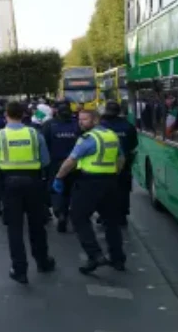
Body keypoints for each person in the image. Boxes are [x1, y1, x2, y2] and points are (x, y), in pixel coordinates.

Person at [0, 102, 56, 284]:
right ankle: (42, 261)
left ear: (6, 115)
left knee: (14, 228)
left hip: (9, 184)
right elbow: (46, 161)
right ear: (24, 114)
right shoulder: (35, 134)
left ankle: (20, 268)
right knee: (37, 224)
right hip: (33, 182)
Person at [54, 108, 126, 274]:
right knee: (111, 222)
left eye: (85, 120)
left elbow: (71, 161)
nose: (80, 122)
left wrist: (58, 177)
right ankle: (118, 259)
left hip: (89, 183)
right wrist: (114, 173)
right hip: (110, 182)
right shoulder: (111, 135)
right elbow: (121, 158)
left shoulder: (88, 139)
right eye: (79, 119)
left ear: (95, 120)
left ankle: (95, 255)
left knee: (78, 217)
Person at [41, 100, 79, 232]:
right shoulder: (77, 125)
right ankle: (70, 213)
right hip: (74, 163)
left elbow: (43, 145)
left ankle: (60, 213)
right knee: (72, 190)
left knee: (56, 190)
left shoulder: (49, 125)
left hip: (54, 164)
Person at [100, 100, 137, 228]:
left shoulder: (101, 126)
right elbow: (134, 144)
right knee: (123, 191)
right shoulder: (128, 126)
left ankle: (104, 216)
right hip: (124, 164)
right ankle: (122, 216)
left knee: (105, 192)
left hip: (104, 165)